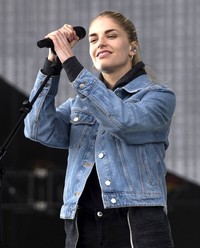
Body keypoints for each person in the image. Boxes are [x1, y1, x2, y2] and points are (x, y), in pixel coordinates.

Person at [24, 11, 175, 248]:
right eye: (93, 40)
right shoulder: (79, 104)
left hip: (136, 223)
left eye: (111, 36)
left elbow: (123, 122)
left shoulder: (157, 96)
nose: (100, 43)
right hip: (82, 224)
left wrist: (72, 64)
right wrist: (51, 66)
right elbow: (37, 128)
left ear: (132, 47)